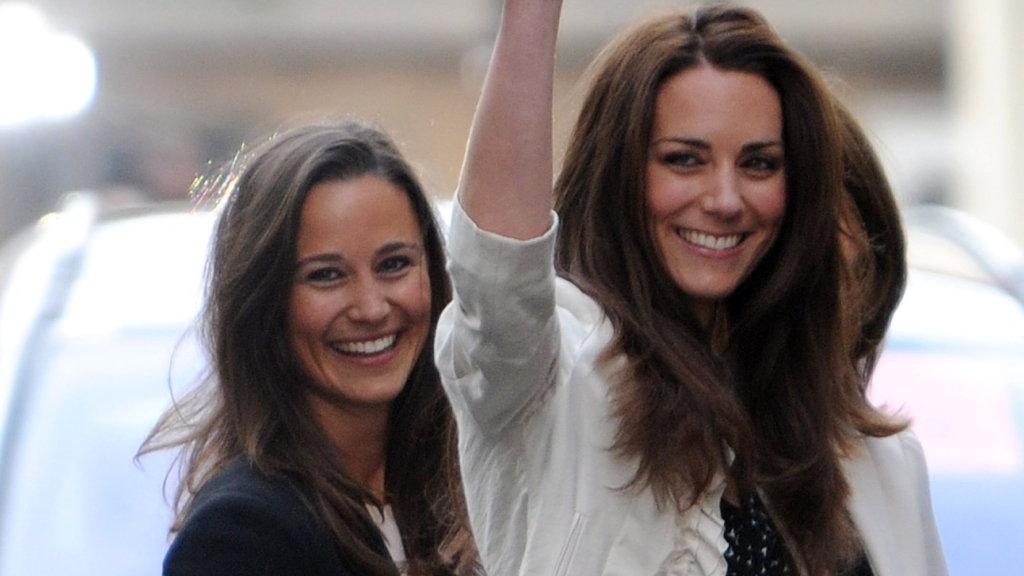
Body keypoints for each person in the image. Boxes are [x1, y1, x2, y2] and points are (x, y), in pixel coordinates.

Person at [434, 3, 947, 576]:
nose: (725, 199)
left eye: (759, 164)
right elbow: (498, 276)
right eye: (684, 160)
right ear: (619, 171)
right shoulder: (559, 384)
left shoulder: (886, 466)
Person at [140, 121, 477, 576]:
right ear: (264, 302)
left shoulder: (463, 494)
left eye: (394, 264)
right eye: (326, 275)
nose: (372, 308)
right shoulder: (240, 533)